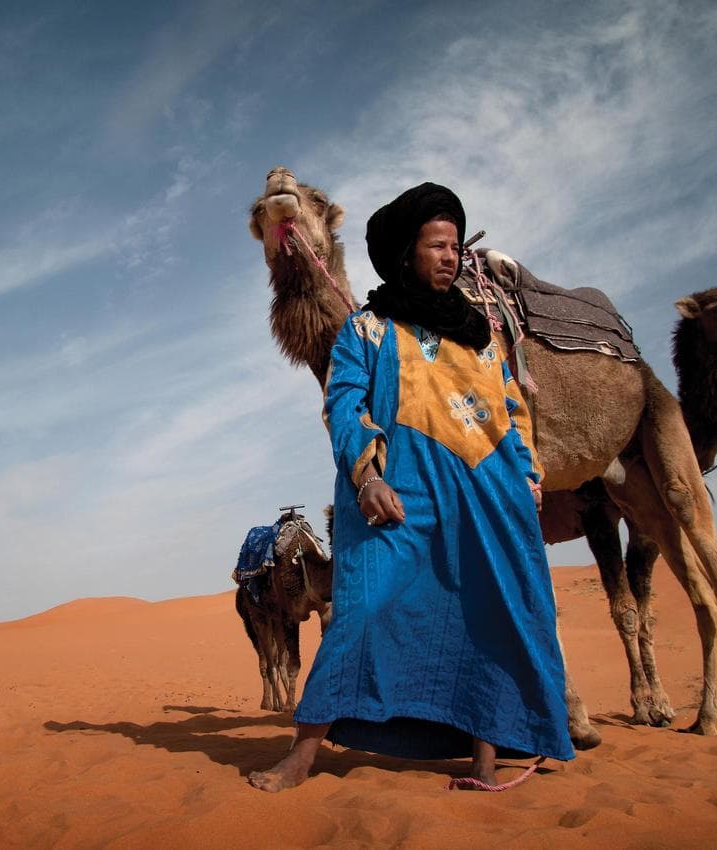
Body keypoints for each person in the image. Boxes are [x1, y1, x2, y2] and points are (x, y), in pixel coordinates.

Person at [249, 182, 574, 793]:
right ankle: (303, 753)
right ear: (406, 254)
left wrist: (527, 474)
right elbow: (343, 403)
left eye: (455, 245)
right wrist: (367, 475)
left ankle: (483, 758)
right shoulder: (368, 330)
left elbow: (512, 407)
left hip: (487, 492)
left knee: (494, 612)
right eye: (436, 245)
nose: (450, 257)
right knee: (362, 608)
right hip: (402, 492)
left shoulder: (479, 338)